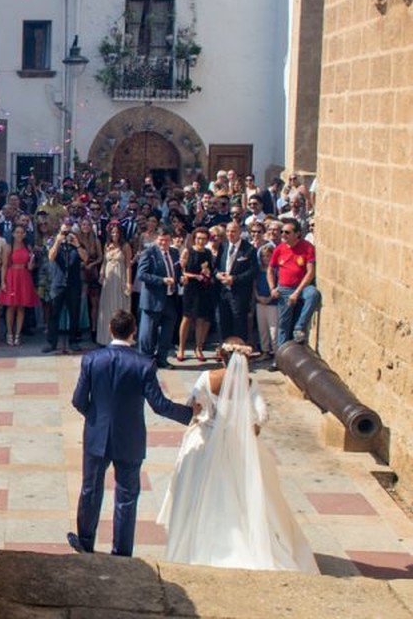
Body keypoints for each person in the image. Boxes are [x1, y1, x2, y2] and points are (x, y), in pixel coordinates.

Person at [158, 340, 317, 572]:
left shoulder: (207, 377)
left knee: (195, 487)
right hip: (239, 443)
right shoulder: (249, 382)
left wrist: (204, 415)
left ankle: (197, 536)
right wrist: (251, 428)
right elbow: (262, 414)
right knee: (250, 491)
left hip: (208, 438)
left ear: (221, 357)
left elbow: (192, 403)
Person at [68, 310, 195, 557]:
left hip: (97, 435)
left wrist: (95, 418)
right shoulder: (144, 364)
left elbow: (78, 400)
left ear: (110, 330)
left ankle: (85, 541)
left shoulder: (92, 360)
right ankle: (122, 551)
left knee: (90, 489)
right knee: (126, 497)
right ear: (133, 332)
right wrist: (189, 415)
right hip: (130, 437)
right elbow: (159, 405)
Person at [268, 219, 321, 345]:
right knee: (283, 324)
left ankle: (299, 327)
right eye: (282, 232)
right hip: (284, 289)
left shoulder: (307, 247)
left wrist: (297, 293)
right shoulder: (279, 249)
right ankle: (281, 355)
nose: (283, 235)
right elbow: (270, 269)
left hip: (301, 287)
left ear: (297, 234)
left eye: (287, 232)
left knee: (313, 294)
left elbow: (310, 272)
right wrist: (272, 288)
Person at [137, 227, 181, 369]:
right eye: (161, 240)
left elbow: (177, 272)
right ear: (156, 239)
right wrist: (162, 280)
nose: (164, 243)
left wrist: (181, 279)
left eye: (167, 240)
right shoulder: (148, 253)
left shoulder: (174, 253)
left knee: (167, 332)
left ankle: (162, 358)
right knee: (147, 333)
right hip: (153, 298)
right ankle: (146, 360)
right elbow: (141, 275)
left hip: (170, 298)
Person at [43, 224, 86, 355]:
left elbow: (85, 258)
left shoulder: (76, 245)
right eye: (64, 232)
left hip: (73, 284)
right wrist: (58, 240)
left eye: (69, 232)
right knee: (54, 314)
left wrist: (77, 244)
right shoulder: (55, 244)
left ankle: (73, 341)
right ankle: (52, 342)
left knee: (74, 313)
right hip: (58, 283)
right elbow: (51, 257)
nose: (66, 234)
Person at [215, 221, 258, 343]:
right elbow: (216, 266)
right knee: (223, 321)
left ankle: (239, 351)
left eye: (233, 231)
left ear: (240, 232)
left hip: (239, 293)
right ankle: (225, 349)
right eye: (228, 231)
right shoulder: (222, 246)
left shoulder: (249, 249)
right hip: (223, 292)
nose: (230, 234)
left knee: (239, 322)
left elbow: (252, 271)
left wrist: (234, 279)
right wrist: (217, 274)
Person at [177, 227, 214, 363]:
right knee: (186, 318)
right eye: (199, 238)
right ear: (194, 238)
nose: (201, 241)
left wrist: (207, 274)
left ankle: (198, 347)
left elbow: (209, 269)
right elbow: (182, 271)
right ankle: (181, 348)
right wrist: (196, 276)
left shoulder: (208, 253)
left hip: (203, 288)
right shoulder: (188, 251)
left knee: (200, 319)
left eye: (204, 238)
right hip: (191, 288)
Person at [0, 225, 38, 346]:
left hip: (24, 276)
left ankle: (18, 334)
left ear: (25, 234)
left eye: (22, 232)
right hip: (12, 276)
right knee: (11, 306)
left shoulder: (27, 247)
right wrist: (3, 282)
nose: (19, 235)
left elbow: (31, 266)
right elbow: (4, 265)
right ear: (13, 234)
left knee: (21, 306)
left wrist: (31, 263)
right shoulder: (8, 247)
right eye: (17, 232)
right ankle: (9, 332)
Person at [95, 223, 133, 345]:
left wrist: (128, 282)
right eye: (112, 232)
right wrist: (101, 274)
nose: (114, 234)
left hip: (120, 279)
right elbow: (104, 262)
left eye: (117, 232)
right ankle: (105, 338)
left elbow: (128, 265)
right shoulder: (107, 245)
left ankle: (122, 338)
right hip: (108, 280)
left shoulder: (125, 246)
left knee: (119, 307)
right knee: (106, 308)